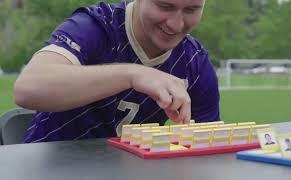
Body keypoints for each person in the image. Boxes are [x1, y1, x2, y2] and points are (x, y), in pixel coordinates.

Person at [14, 0, 220, 143]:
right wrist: (134, 75)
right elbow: (27, 89)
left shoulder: (195, 62)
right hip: (50, 170)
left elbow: (209, 150)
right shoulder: (95, 27)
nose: (176, 24)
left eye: (191, 9)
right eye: (164, 6)